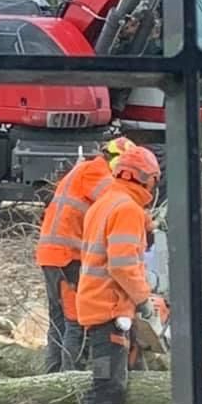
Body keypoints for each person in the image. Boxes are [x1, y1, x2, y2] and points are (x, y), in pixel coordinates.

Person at [66, 145, 161, 404]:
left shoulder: (105, 202)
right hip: (109, 309)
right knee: (108, 385)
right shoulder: (127, 210)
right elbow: (122, 264)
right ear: (146, 181)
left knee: (137, 380)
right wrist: (144, 299)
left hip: (113, 307)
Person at [35, 136, 135, 373]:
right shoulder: (98, 174)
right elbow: (119, 204)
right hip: (67, 256)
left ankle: (51, 377)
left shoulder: (82, 170)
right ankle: (69, 381)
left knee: (58, 321)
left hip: (52, 253)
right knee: (75, 321)